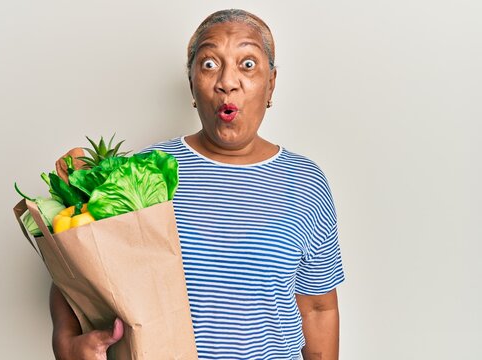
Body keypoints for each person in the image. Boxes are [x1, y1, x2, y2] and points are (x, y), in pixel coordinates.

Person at [51, 9, 345, 360]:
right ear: (191, 82)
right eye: (209, 64)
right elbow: (80, 268)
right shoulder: (145, 172)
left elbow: (317, 308)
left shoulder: (305, 182)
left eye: (247, 64)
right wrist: (68, 345)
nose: (227, 81)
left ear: (272, 83)